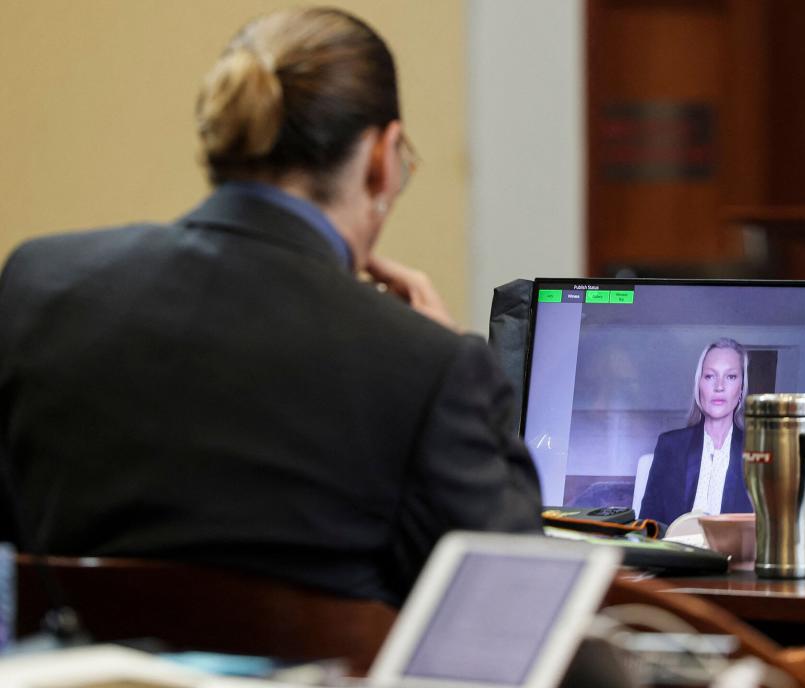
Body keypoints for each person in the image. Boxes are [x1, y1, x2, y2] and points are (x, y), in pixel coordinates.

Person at [0, 7, 542, 605]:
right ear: (382, 158)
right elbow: (517, 604)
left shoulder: (37, 284)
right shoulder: (424, 368)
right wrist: (455, 366)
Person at [639, 338, 753, 525]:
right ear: (699, 385)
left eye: (730, 377)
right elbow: (648, 523)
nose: (719, 386)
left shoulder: (759, 452)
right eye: (710, 376)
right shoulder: (670, 446)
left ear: (741, 388)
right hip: (677, 552)